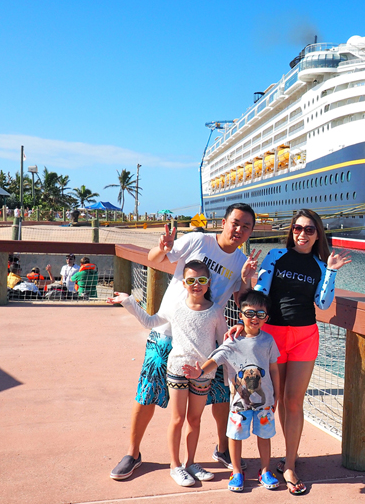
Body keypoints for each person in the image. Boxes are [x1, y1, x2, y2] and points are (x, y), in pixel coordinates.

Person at [109, 203, 260, 481]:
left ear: (251, 231)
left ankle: (222, 449)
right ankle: (133, 452)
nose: (239, 230)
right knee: (147, 391)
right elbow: (155, 258)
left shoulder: (241, 262)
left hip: (207, 342)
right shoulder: (198, 240)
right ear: (224, 222)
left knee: (220, 395)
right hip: (166, 332)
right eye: (235, 223)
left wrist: (246, 281)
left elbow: (242, 300)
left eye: (246, 226)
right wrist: (162, 248)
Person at [244, 208, 351, 494]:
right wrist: (247, 321)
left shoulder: (319, 265)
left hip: (305, 336)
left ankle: (289, 463)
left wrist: (331, 271)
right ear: (291, 231)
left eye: (309, 229)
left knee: (294, 401)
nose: (302, 234)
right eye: (298, 228)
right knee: (271, 400)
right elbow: (260, 295)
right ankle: (266, 464)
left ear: (318, 235)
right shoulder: (276, 257)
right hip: (272, 336)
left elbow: (323, 303)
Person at [109, 261, 226, 486]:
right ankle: (175, 465)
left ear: (209, 283)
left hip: (203, 374)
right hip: (177, 370)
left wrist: (208, 369)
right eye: (191, 280)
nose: (196, 284)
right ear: (183, 283)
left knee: (194, 419)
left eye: (202, 280)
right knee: (178, 418)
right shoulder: (175, 307)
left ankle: (190, 462)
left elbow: (223, 345)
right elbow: (149, 321)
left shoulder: (216, 311)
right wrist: (128, 301)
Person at [183, 290, 280, 492]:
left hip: (265, 402)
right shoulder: (232, 341)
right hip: (239, 404)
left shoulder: (269, 341)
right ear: (241, 315)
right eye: (249, 313)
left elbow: (273, 370)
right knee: (235, 436)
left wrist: (276, 395)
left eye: (260, 314)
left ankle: (265, 470)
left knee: (264, 436)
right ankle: (236, 472)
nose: (254, 318)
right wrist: (200, 371)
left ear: (266, 318)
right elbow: (215, 360)